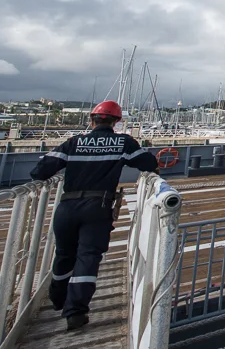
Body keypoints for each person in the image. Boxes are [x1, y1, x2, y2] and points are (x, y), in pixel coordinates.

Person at [30, 100, 158, 331]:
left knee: (63, 254)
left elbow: (40, 171)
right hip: (98, 205)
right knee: (88, 256)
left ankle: (57, 299)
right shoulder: (123, 142)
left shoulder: (74, 142)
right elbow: (149, 162)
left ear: (92, 120)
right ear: (116, 122)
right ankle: (76, 311)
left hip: (67, 206)